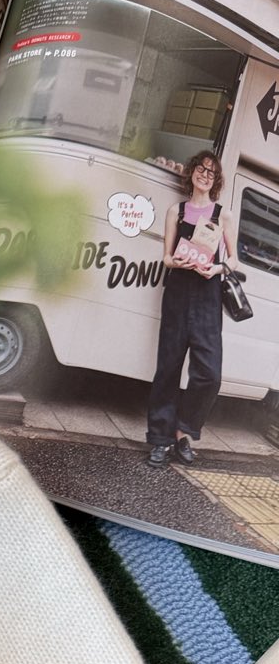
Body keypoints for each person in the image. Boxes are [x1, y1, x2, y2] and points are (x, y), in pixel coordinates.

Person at [145, 149, 235, 468]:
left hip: (208, 295)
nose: (205, 175)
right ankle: (160, 440)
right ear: (192, 171)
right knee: (168, 368)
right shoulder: (177, 211)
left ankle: (183, 432)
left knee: (209, 374)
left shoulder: (223, 215)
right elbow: (166, 257)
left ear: (216, 179)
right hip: (178, 292)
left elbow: (233, 259)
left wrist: (217, 269)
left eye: (211, 172)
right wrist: (177, 261)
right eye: (201, 168)